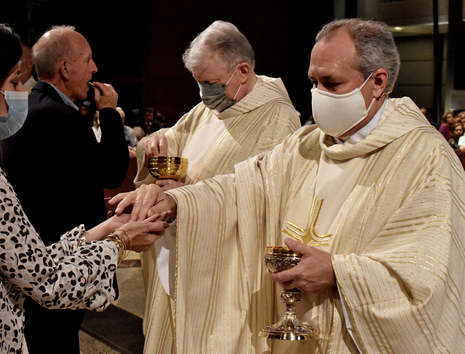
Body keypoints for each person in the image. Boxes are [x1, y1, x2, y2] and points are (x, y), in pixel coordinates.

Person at [112, 18, 465, 353]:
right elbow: (242, 187)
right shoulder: (308, 144)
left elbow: (430, 272)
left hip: (351, 335)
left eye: (331, 83)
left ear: (378, 82)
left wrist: (339, 274)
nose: (318, 94)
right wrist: (176, 201)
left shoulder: (426, 158)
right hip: (289, 330)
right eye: (313, 82)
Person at [0, 15, 169, 354]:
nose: (23, 93)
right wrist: (121, 241)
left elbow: (23, 258)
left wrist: (101, 231)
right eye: (15, 81)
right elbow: (48, 282)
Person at [132, 20, 300, 353]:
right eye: (198, 82)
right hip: (183, 243)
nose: (204, 93)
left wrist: (187, 198)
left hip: (227, 262)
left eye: (210, 83)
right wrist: (155, 147)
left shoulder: (277, 118)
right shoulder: (210, 108)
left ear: (242, 70)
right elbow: (173, 136)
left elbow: (262, 190)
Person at [2, 25, 130, 354]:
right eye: (87, 60)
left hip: (27, 260)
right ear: (65, 68)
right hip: (58, 264)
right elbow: (112, 172)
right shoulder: (62, 117)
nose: (94, 69)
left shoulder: (26, 108)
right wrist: (110, 113)